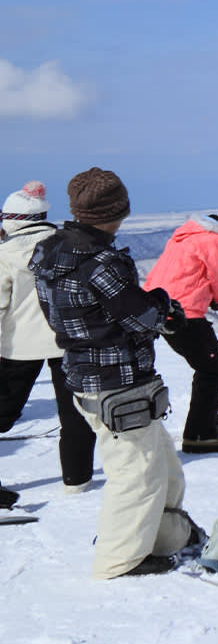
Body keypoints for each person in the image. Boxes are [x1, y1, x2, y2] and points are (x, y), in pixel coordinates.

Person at [30, 168, 205, 577]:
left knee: (161, 463)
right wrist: (163, 304)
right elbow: (143, 317)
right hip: (118, 381)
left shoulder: (49, 249)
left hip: (85, 375)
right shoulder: (102, 262)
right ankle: (120, 559)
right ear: (120, 210)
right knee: (137, 475)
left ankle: (163, 535)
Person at [1, 182, 95, 502]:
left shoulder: (6, 252)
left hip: (18, 346)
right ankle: (77, 479)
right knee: (74, 411)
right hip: (68, 340)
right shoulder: (67, 245)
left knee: (2, 411)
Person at [143, 193, 218, 451]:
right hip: (185, 314)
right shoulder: (214, 241)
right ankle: (199, 435)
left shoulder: (185, 235)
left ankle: (207, 425)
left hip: (160, 308)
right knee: (212, 372)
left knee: (208, 369)